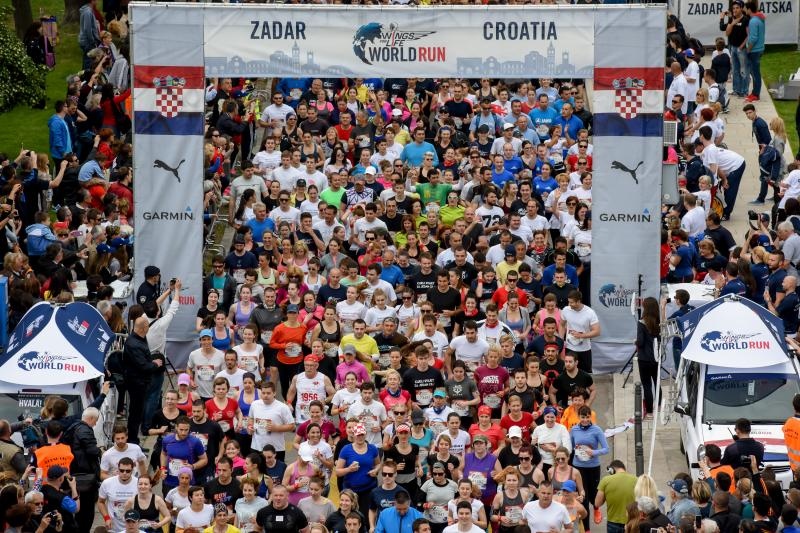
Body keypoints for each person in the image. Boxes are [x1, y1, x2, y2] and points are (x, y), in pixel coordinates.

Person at [123, 316, 164, 444]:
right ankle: (133, 440)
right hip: (136, 383)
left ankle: (134, 438)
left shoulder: (139, 338)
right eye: (147, 326)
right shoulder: (134, 344)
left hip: (141, 382)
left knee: (138, 411)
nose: (148, 328)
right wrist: (155, 364)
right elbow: (143, 366)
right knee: (135, 413)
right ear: (143, 328)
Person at [248, 381, 295, 462]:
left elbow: (292, 426)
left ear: (274, 393)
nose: (265, 395)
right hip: (257, 447)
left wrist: (276, 428)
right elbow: (251, 418)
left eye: (268, 393)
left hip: (276, 449)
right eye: (263, 393)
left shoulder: (282, 407)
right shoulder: (254, 404)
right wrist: (250, 427)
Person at [160, 416, 208, 494]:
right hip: (169, 481)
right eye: (181, 430)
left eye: (186, 430)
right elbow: (163, 454)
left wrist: (193, 466)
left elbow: (204, 459)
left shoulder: (195, 442)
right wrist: (162, 468)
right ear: (176, 427)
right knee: (167, 501)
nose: (183, 433)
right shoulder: (167, 440)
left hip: (187, 482)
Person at [560, 290, 600, 373]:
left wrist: (581, 335)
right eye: (568, 302)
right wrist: (561, 339)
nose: (569, 304)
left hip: (584, 349)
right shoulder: (566, 310)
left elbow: (597, 331)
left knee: (585, 374)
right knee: (569, 372)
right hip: (570, 348)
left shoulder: (590, 312)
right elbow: (561, 325)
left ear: (578, 301)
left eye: (571, 302)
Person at [595, 460, 637, 533]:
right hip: (632, 522)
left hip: (613, 522)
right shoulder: (636, 479)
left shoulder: (605, 480)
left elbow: (597, 503)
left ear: (612, 469)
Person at [98, 457, 139, 532]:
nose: (124, 473)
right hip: (113, 528)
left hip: (133, 529)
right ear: (118, 469)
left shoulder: (139, 484)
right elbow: (101, 502)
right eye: (122, 470)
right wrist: (106, 518)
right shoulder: (107, 483)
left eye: (128, 471)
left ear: (132, 470)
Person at [636, 297, 662, 417]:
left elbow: (640, 342)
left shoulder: (641, 323)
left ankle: (650, 411)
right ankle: (659, 406)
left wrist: (635, 342)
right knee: (657, 382)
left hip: (644, 359)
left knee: (647, 385)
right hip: (656, 358)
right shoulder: (659, 322)